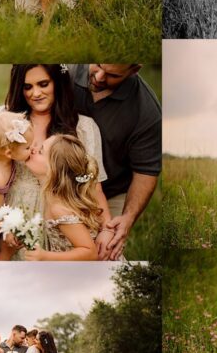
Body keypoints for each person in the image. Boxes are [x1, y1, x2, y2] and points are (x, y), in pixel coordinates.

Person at [0, 65, 112, 257]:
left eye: (43, 84)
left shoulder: (84, 127)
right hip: (16, 217)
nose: (36, 93)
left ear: (57, 83)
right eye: (27, 87)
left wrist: (106, 229)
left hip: (61, 223)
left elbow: (94, 186)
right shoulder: (10, 121)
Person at [68, 64, 162, 260]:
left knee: (105, 254)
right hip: (56, 186)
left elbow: (145, 172)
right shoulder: (66, 70)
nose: (99, 77)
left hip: (109, 192)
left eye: (112, 75)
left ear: (134, 70)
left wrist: (127, 218)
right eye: (99, 65)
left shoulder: (147, 111)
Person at [18, 134, 104, 261]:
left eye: (41, 151)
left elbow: (90, 253)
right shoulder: (53, 197)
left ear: (54, 171)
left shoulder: (59, 208)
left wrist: (45, 256)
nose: (32, 149)